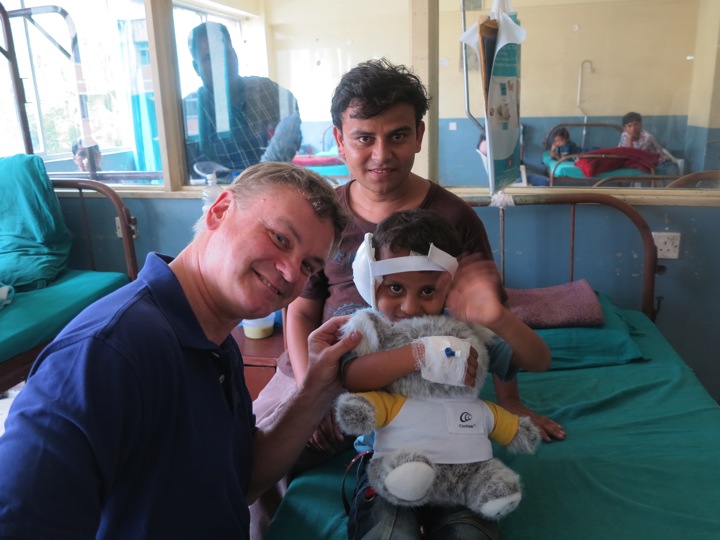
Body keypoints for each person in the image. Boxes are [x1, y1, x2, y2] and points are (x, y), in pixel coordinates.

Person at [250, 58, 564, 539]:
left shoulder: (453, 216)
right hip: (322, 359)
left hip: (419, 379)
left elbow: (484, 318)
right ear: (339, 139)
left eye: (397, 136)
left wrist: (513, 403)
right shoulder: (323, 213)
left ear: (418, 136)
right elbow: (301, 309)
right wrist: (309, 388)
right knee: (257, 455)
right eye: (364, 138)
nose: (381, 154)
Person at [0, 162, 362, 538]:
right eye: (280, 239)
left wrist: (317, 386)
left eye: (308, 265)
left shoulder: (216, 343)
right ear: (220, 210)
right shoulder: (104, 354)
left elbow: (241, 482)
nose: (290, 273)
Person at [341, 208, 549, 539]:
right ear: (369, 278)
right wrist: (420, 354)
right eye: (394, 288)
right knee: (388, 532)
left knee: (469, 533)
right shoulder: (369, 327)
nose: (409, 307)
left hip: (462, 464)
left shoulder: (465, 329)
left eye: (427, 291)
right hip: (387, 462)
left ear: (448, 286)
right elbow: (354, 378)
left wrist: (497, 318)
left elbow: (539, 360)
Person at [184, 22, 302, 178]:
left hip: (276, 186)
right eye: (209, 58)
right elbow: (200, 176)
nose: (220, 63)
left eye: (224, 53)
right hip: (226, 198)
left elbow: (292, 123)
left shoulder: (266, 90)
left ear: (235, 54)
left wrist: (278, 154)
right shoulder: (190, 111)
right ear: (196, 67)